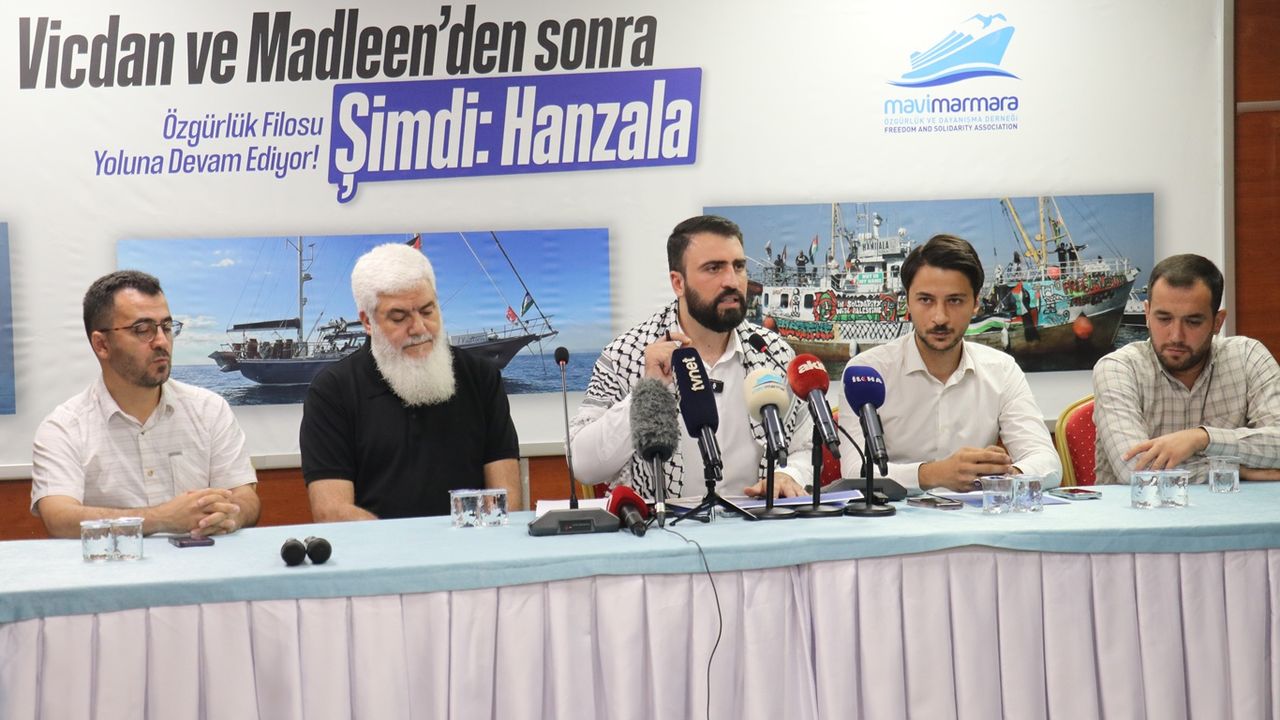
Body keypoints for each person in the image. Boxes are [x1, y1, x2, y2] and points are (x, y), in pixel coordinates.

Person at [570, 215, 813, 501]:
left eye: (738, 266)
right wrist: (646, 393)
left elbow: (806, 446)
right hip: (661, 524)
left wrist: (790, 474)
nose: (732, 281)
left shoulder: (773, 352)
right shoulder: (625, 355)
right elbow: (583, 466)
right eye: (714, 268)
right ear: (678, 283)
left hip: (758, 521)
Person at [31, 271, 260, 538]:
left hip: (203, 561)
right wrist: (162, 518)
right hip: (113, 565)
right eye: (143, 330)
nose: (162, 341)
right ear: (102, 344)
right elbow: (59, 518)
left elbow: (246, 498)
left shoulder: (210, 409)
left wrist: (230, 515)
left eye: (167, 327)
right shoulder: (64, 427)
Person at [301, 243, 521, 520]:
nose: (419, 328)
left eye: (428, 311)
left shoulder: (481, 377)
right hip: (375, 545)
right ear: (367, 322)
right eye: (399, 317)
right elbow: (331, 511)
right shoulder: (332, 391)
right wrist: (401, 544)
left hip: (472, 542)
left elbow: (506, 499)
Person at [838, 235, 1061, 491]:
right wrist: (933, 474)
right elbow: (855, 471)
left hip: (976, 512)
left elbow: (1047, 462)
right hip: (893, 512)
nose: (940, 317)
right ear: (907, 302)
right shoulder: (867, 372)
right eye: (926, 300)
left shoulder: (1002, 370)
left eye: (955, 300)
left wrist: (1007, 476)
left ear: (976, 303)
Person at [1093, 254, 1280, 484]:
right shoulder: (1118, 368)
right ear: (1147, 314)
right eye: (1164, 319)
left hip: (1238, 507)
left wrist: (1202, 438)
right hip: (1139, 508)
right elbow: (1137, 472)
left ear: (1217, 322)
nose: (1176, 336)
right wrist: (1232, 470)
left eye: (1193, 322)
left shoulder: (1248, 356)